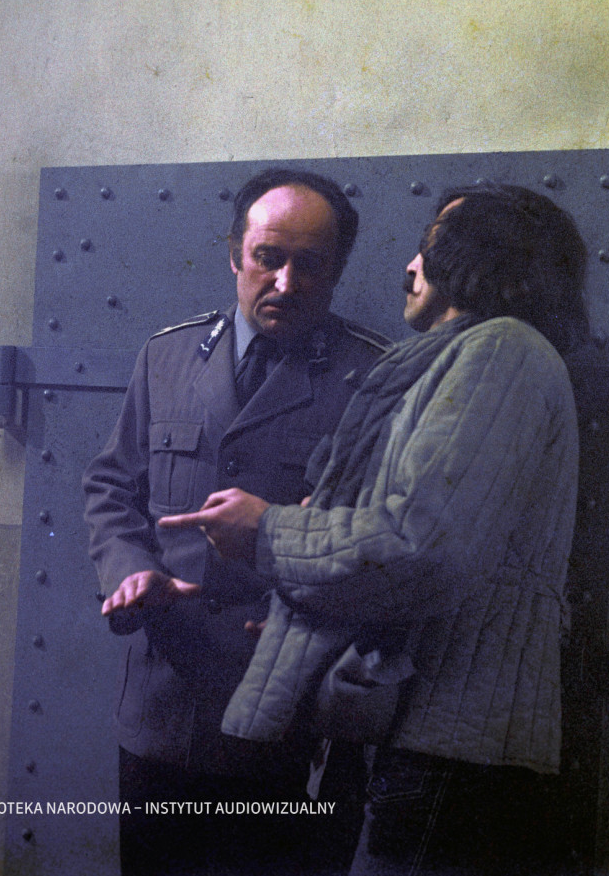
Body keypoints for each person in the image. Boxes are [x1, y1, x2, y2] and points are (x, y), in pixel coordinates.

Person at [157, 182, 591, 875]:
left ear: (476, 259)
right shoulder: (467, 357)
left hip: (443, 749)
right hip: (429, 738)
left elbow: (419, 549)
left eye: (431, 247)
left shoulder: (499, 352)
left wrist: (267, 533)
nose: (411, 266)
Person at [83, 167, 389, 876]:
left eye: (309, 265)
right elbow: (111, 485)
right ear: (234, 254)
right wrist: (131, 570)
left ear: (337, 270)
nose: (285, 282)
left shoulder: (372, 377)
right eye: (267, 257)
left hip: (286, 717)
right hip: (163, 705)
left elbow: (384, 540)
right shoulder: (166, 356)